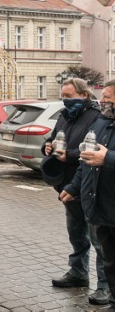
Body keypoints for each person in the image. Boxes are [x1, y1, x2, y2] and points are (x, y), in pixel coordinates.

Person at [41, 78, 109, 304]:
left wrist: (69, 155)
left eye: (69, 96)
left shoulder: (97, 118)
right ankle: (78, 273)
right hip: (68, 185)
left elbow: (93, 152)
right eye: (63, 96)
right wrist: (48, 146)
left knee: (99, 240)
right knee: (76, 235)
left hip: (90, 187)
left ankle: (105, 285)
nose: (65, 100)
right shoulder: (63, 116)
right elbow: (51, 139)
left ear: (84, 95)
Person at [61, 79, 115, 311]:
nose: (101, 101)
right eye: (103, 97)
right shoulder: (102, 123)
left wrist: (109, 159)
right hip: (102, 209)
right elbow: (86, 160)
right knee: (111, 263)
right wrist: (73, 188)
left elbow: (103, 158)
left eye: (108, 98)